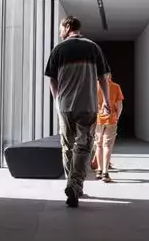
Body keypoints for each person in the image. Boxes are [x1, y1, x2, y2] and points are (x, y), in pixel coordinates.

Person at [44, 16, 111, 207]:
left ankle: (72, 184)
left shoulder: (58, 49)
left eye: (60, 29)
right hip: (87, 105)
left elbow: (52, 79)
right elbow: (103, 78)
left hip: (65, 106)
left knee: (67, 146)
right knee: (83, 146)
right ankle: (75, 185)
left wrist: (57, 100)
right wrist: (106, 101)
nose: (60, 32)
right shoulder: (93, 47)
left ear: (67, 27)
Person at [93, 76, 124, 182]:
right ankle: (105, 173)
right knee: (107, 146)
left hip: (97, 120)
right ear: (110, 75)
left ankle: (99, 171)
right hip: (111, 120)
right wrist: (117, 117)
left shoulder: (93, 86)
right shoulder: (116, 87)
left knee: (98, 145)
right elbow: (119, 105)